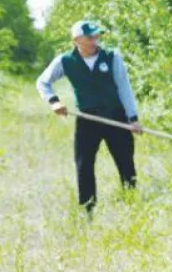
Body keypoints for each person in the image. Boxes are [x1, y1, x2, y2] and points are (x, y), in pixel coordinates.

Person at [36, 20, 143, 210]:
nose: (95, 40)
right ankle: (88, 210)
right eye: (90, 37)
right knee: (83, 164)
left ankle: (131, 205)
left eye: (96, 35)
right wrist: (54, 101)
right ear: (77, 40)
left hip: (115, 117)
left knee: (126, 162)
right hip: (88, 119)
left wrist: (133, 118)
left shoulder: (111, 57)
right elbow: (42, 82)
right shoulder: (65, 61)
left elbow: (124, 88)